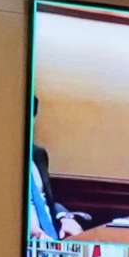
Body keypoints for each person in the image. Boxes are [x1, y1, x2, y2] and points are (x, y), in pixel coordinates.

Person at [28, 94, 84, 237]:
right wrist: (31, 232)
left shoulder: (37, 155)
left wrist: (65, 216)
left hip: (52, 239)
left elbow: (46, 201)